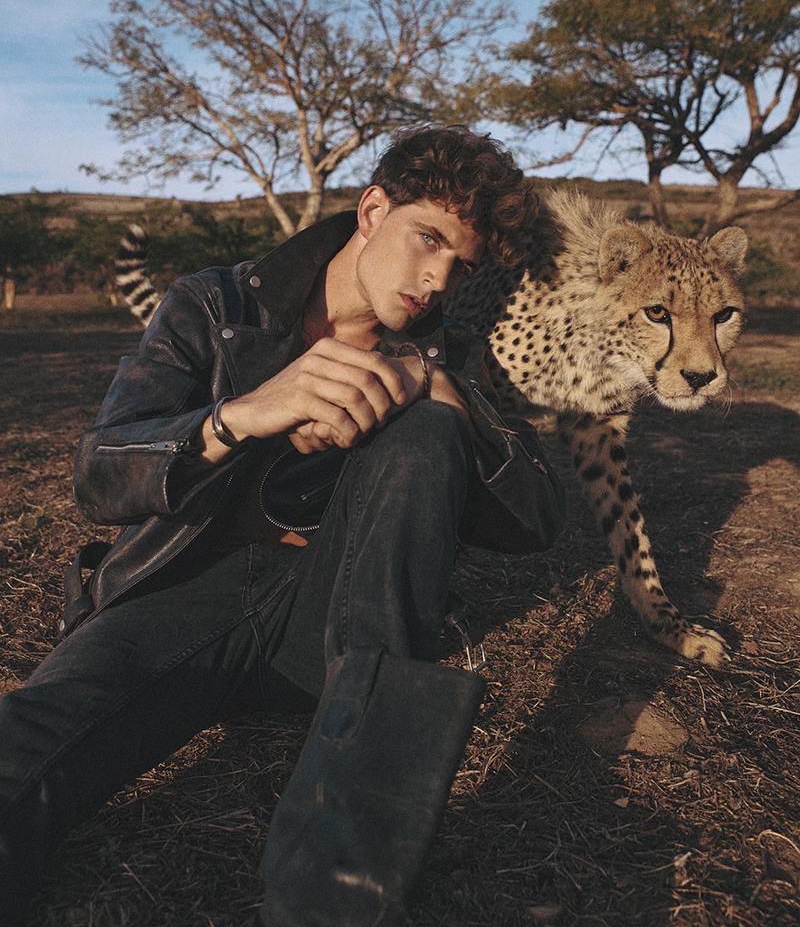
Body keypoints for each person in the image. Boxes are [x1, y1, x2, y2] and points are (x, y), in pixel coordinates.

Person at [0, 125, 565, 927]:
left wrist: (444, 393)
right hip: (182, 593)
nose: (438, 279)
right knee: (34, 740)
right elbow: (98, 474)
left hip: (339, 624)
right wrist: (240, 416)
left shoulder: (448, 347)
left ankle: (338, 896)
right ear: (373, 210)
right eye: (428, 238)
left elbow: (538, 517)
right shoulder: (213, 305)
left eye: (462, 264)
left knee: (429, 424)